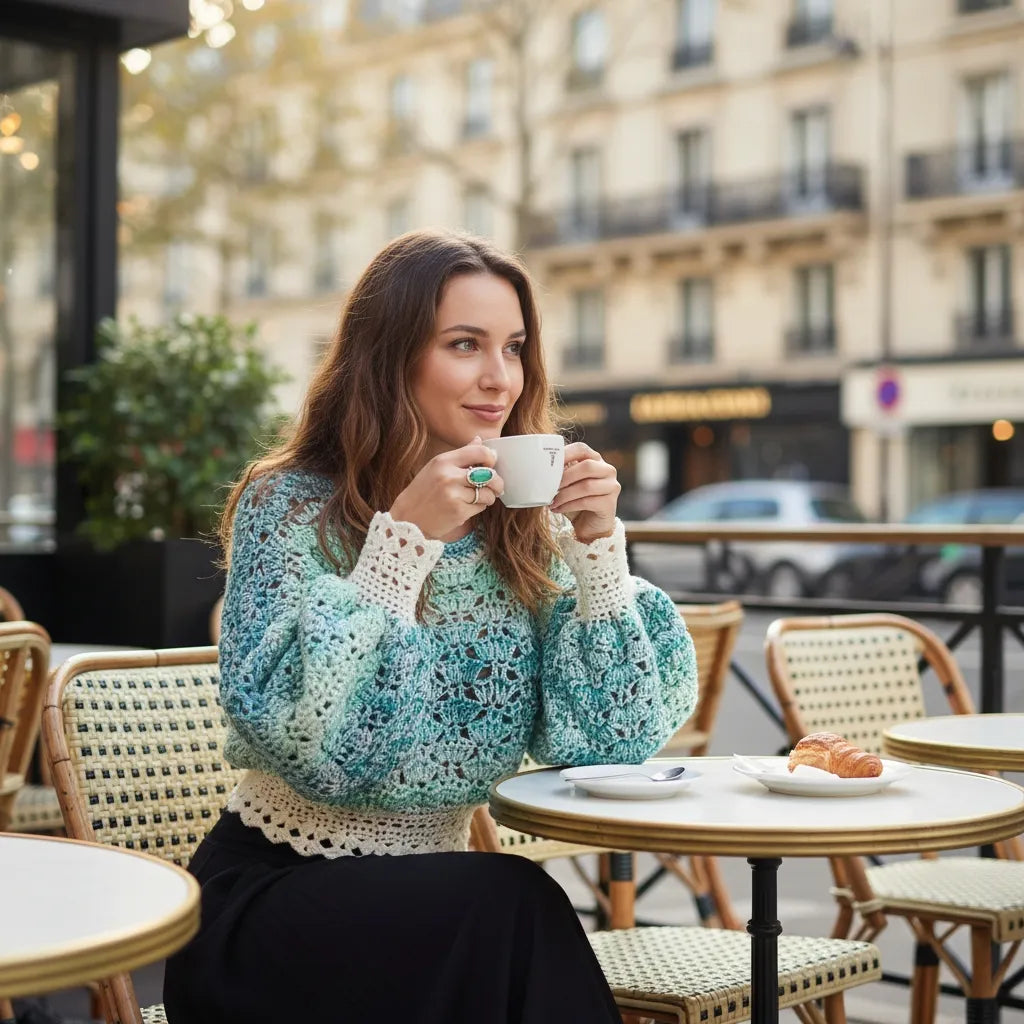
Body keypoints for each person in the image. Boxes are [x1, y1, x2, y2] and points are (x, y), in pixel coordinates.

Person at [163, 229, 698, 1024]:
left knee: (501, 917)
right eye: (464, 344)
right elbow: (320, 756)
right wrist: (400, 547)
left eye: (514, 348)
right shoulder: (290, 506)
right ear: (391, 356)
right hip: (271, 908)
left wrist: (595, 551)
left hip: (440, 915)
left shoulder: (517, 529)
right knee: (515, 903)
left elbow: (607, 746)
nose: (499, 377)